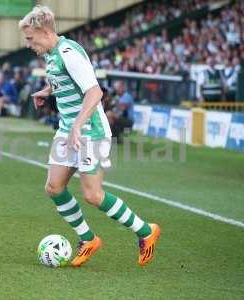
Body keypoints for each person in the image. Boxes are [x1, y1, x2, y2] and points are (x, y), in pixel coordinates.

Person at [19, 5, 160, 268]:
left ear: (44, 31)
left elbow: (95, 92)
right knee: (54, 187)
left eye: (29, 38)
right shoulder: (52, 53)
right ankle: (88, 239)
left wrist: (77, 126)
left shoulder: (69, 52)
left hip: (89, 132)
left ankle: (146, 231)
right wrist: (46, 91)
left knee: (93, 195)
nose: (28, 44)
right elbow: (63, 79)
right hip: (69, 129)